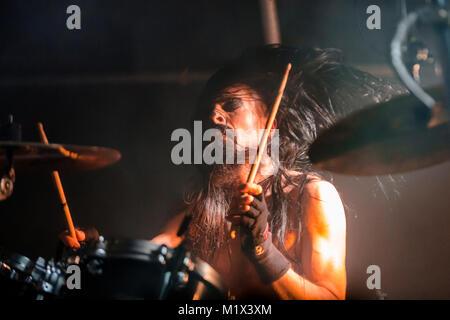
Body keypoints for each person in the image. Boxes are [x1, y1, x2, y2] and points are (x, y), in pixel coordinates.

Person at [61, 45, 400, 300]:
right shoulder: (201, 204)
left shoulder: (311, 195)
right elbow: (153, 256)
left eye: (231, 105)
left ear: (271, 122)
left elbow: (331, 296)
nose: (215, 115)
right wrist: (98, 251)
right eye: (210, 110)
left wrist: (263, 250)